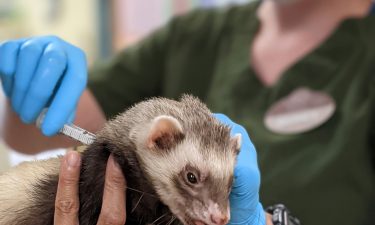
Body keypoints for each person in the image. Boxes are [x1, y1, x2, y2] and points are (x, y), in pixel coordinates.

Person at [0, 0, 374, 224]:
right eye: (193, 177)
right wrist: (38, 83)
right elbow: (40, 129)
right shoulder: (196, 35)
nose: (219, 216)